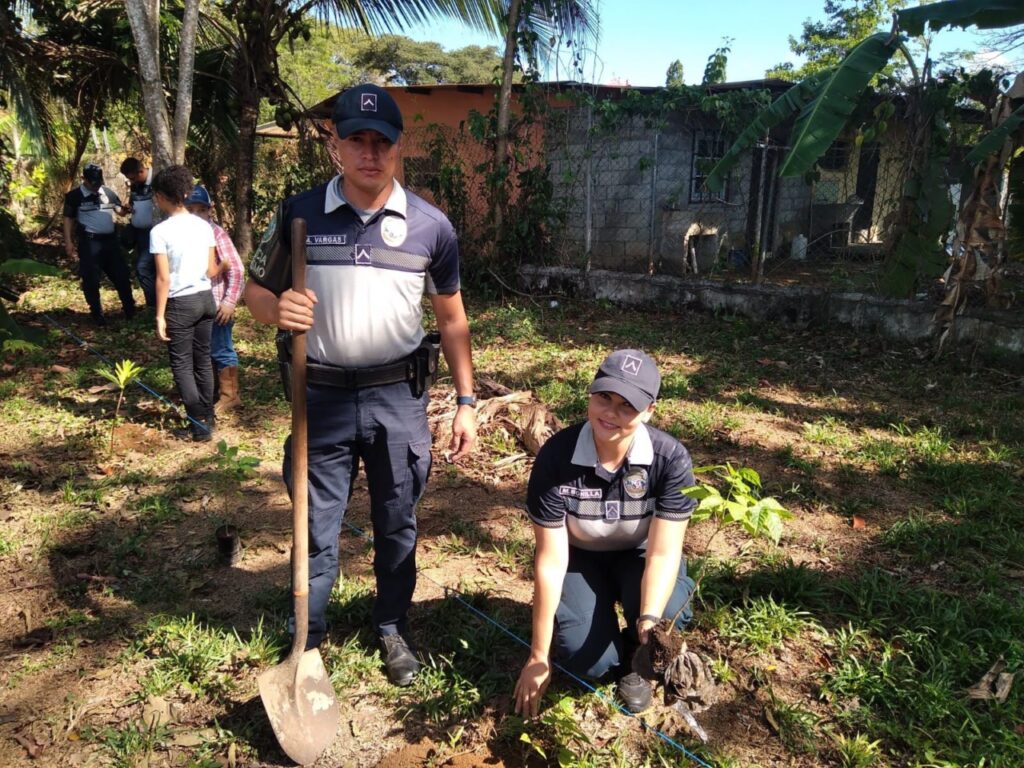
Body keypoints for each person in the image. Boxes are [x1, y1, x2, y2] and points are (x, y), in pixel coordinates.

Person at [243, 83, 477, 688]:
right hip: (319, 396)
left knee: (397, 520)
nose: (369, 154)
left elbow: (452, 320)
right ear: (335, 145)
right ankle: (308, 634)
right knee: (316, 521)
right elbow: (254, 293)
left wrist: (468, 402)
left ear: (398, 149)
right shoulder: (300, 213)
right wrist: (279, 310)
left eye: (382, 143)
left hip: (398, 398)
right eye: (357, 140)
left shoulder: (431, 226)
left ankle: (392, 624)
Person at [514, 349, 696, 717]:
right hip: (579, 558)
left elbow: (663, 553)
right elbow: (551, 560)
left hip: (640, 554)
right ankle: (611, 653)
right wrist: (538, 656)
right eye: (604, 398)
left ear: (649, 412)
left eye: (627, 406)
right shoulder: (556, 457)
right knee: (589, 660)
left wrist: (648, 617)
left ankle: (636, 654)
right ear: (591, 395)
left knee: (670, 608)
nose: (610, 414)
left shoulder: (670, 459)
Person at [150, 165, 220, 441]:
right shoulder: (204, 226)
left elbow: (163, 278)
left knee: (181, 364)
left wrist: (159, 315)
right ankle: (209, 416)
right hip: (205, 299)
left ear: (162, 196)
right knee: (203, 360)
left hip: (181, 302)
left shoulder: (160, 232)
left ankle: (198, 423)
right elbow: (211, 269)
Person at [185, 185, 245, 411]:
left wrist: (229, 302)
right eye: (191, 210)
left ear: (210, 210)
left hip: (217, 304)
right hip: (193, 303)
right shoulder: (183, 235)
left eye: (201, 210)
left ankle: (230, 395)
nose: (197, 215)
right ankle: (206, 392)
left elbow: (236, 269)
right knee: (200, 348)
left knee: (221, 348)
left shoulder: (216, 233)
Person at [62, 163, 137, 325]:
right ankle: (97, 313)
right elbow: (67, 219)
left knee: (121, 275)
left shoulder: (108, 193)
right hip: (90, 244)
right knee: (91, 279)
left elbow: (120, 212)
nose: (96, 186)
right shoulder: (74, 197)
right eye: (92, 183)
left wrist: (126, 209)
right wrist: (68, 242)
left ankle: (130, 310)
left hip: (110, 242)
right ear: (84, 179)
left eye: (98, 182)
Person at [119, 157, 157, 307]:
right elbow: (134, 204)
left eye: (133, 178)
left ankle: (155, 306)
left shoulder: (156, 180)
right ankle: (152, 304)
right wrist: (130, 209)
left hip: (153, 234)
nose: (132, 182)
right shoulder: (135, 186)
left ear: (141, 171)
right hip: (139, 234)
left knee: (143, 268)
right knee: (146, 270)